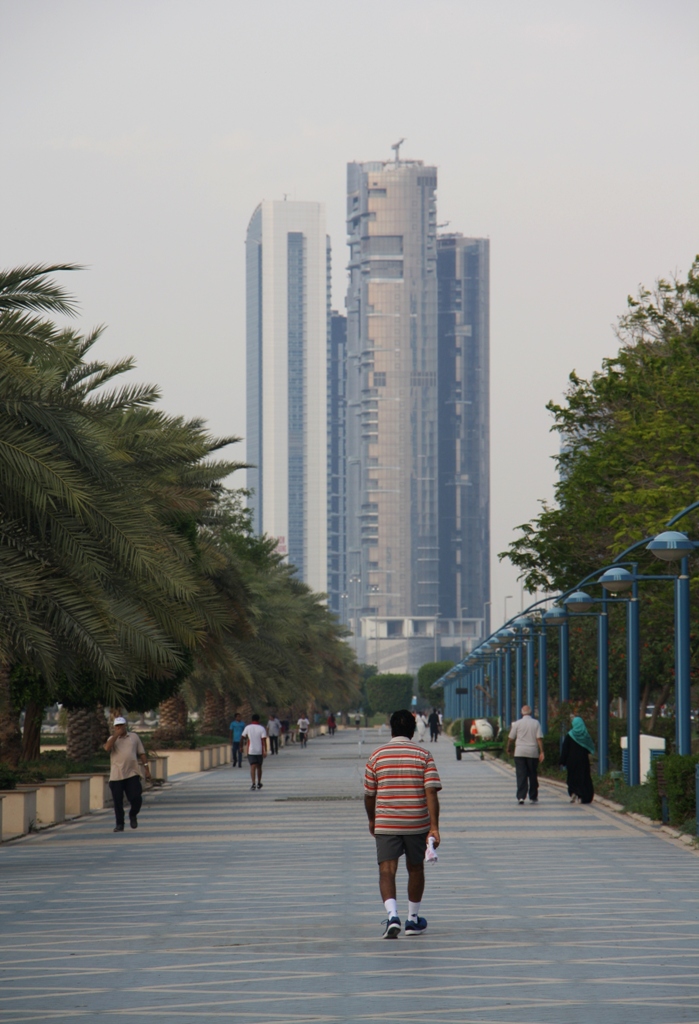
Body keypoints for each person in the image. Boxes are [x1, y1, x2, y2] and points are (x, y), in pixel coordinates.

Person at [364, 708, 442, 939]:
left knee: (386, 870)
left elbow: (369, 794)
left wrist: (372, 820)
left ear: (391, 729)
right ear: (411, 729)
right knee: (415, 868)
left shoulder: (376, 756)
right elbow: (431, 793)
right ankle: (413, 920)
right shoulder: (423, 755)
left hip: (386, 822)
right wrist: (434, 826)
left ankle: (392, 917)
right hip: (416, 823)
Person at [104, 716, 151, 832]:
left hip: (132, 773)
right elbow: (107, 748)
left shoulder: (134, 737)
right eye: (117, 726)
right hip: (117, 776)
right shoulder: (112, 739)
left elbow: (142, 753)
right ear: (114, 727)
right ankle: (119, 824)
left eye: (121, 725)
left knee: (136, 798)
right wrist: (116, 735)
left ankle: (133, 814)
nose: (120, 728)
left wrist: (147, 769)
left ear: (126, 726)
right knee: (118, 802)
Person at [507, 705, 544, 804]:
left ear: (521, 713)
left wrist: (508, 747)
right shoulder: (536, 723)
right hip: (532, 752)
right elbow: (539, 738)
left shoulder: (517, 723)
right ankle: (533, 796)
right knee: (532, 774)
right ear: (531, 712)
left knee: (521, 774)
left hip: (519, 752)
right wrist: (542, 752)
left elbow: (511, 738)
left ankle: (521, 796)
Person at [560, 716, 595, 804]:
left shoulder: (569, 735)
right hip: (583, 761)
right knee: (583, 777)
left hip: (571, 761)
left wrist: (562, 761)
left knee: (572, 777)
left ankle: (573, 792)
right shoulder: (585, 735)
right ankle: (582, 796)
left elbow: (565, 749)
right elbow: (589, 748)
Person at [241, 714, 268, 790]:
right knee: (259, 767)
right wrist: (265, 750)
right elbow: (264, 740)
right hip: (259, 750)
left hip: (251, 750)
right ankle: (259, 782)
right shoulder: (261, 728)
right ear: (259, 720)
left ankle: (253, 783)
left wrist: (241, 747)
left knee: (252, 767)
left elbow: (242, 737)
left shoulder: (248, 727)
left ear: (252, 719)